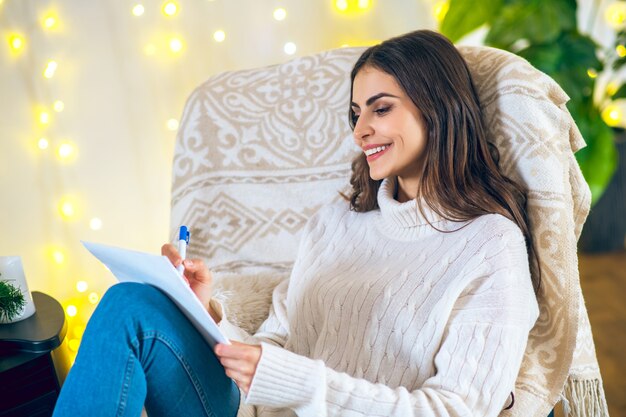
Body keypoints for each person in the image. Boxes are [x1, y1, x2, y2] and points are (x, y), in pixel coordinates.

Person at [53, 29, 539, 417]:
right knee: (130, 304)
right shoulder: (338, 221)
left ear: (438, 107)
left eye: (381, 108)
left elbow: (458, 409)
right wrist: (206, 317)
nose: (360, 129)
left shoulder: (490, 245)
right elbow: (278, 344)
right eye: (355, 113)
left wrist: (302, 383)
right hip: (252, 409)